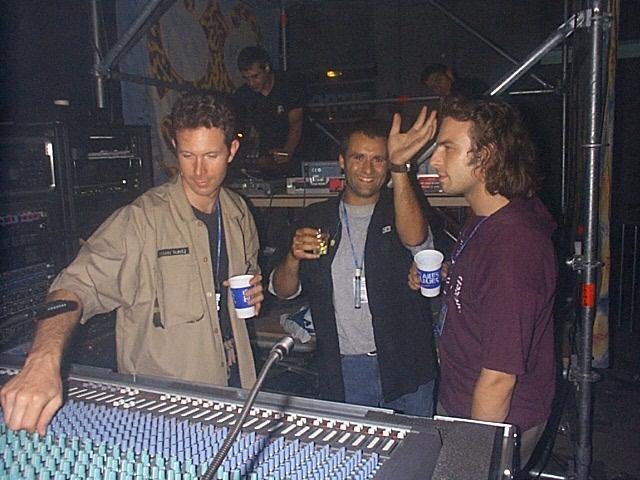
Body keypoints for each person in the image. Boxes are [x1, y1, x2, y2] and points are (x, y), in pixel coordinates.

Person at [0, 93, 265, 435]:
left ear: (231, 150)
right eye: (187, 155)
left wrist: (255, 291)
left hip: (238, 389)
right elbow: (73, 287)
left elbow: (249, 276)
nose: (199, 171)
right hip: (164, 412)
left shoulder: (238, 211)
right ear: (175, 148)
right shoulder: (141, 220)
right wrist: (42, 361)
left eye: (211, 156)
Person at [409, 96, 556, 466]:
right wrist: (451, 274)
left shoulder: (513, 248)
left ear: (485, 156)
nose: (434, 160)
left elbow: (499, 380)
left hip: (491, 416)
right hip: (460, 397)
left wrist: (470, 458)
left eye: (447, 148)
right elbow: (485, 289)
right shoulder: (487, 216)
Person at [271, 109, 439, 416]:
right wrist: (293, 258)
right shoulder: (316, 216)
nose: (368, 169)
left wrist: (400, 167)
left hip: (407, 365)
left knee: (416, 447)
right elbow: (283, 291)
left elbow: (416, 239)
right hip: (345, 370)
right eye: (358, 157)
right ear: (342, 161)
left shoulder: (401, 208)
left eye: (379, 159)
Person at [233, 46, 306, 177]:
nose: (251, 83)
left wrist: (288, 150)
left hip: (299, 151)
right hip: (268, 155)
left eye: (255, 76)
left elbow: (296, 122)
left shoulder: (288, 85)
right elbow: (241, 129)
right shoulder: (243, 96)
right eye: (246, 78)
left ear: (267, 68)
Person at [420, 63, 487, 98]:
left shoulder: (471, 87)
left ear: (449, 74)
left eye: (438, 80)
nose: (438, 87)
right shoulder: (446, 104)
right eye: (433, 87)